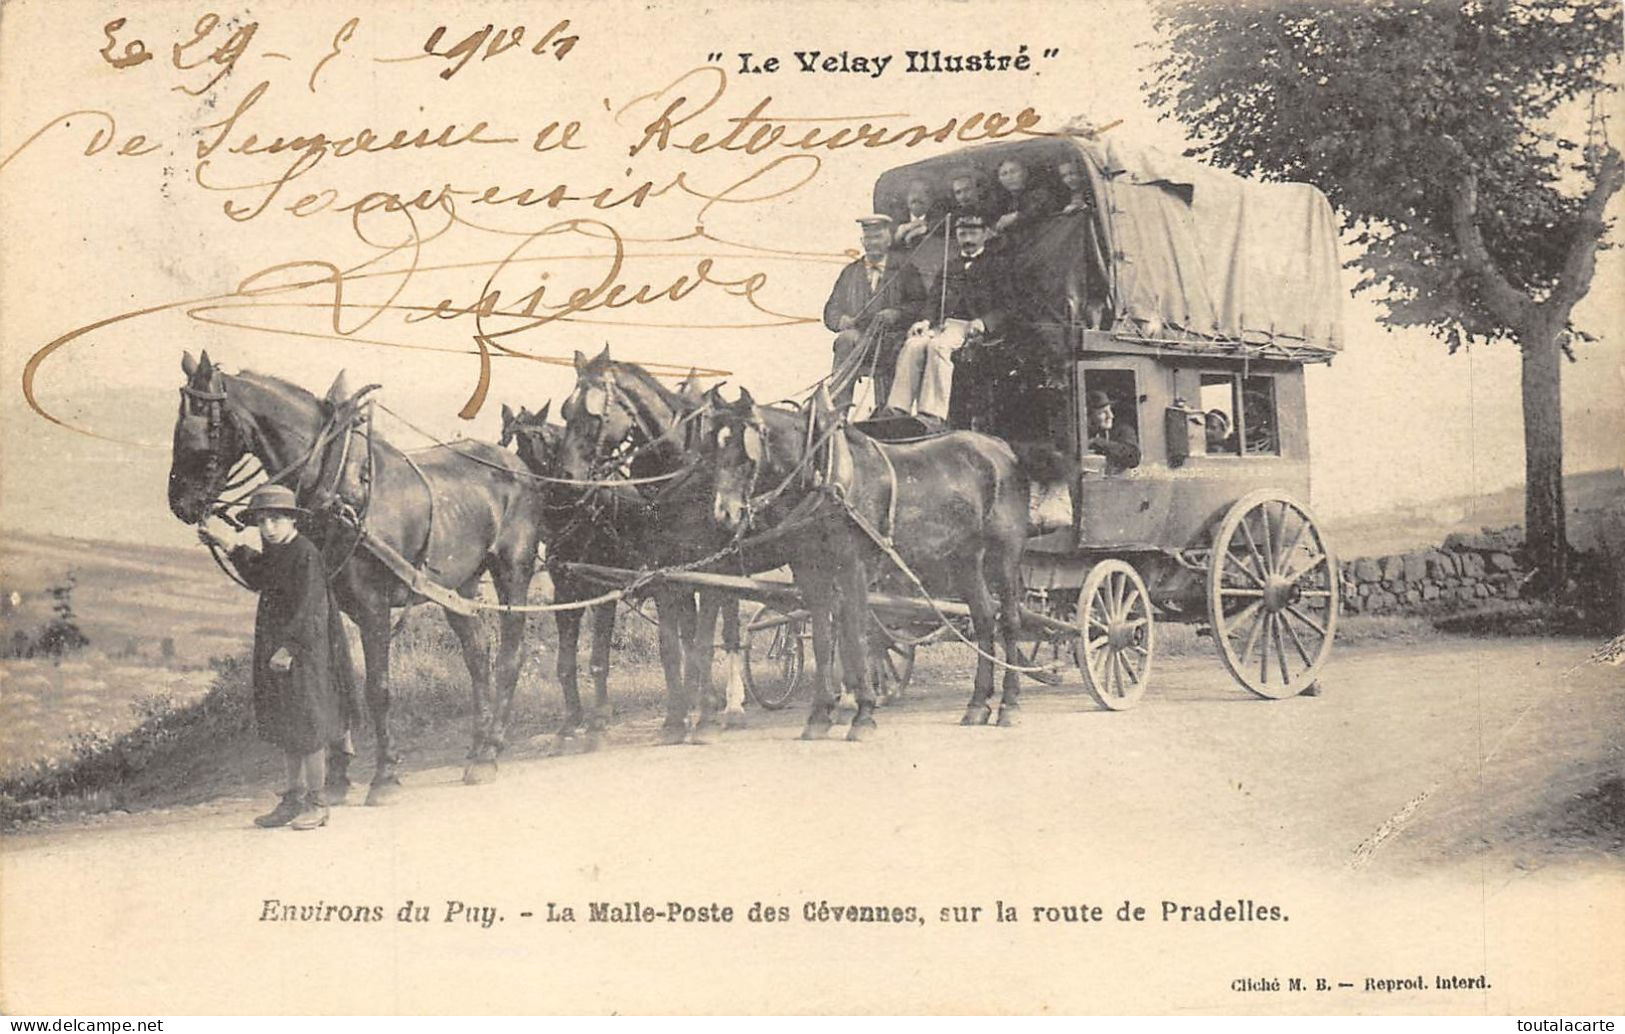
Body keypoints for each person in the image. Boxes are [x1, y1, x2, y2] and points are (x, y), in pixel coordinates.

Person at [198, 485, 357, 830]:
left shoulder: (305, 554)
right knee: (287, 726)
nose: (268, 527)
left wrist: (289, 649)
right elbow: (257, 575)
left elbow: (312, 610)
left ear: (292, 520)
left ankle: (317, 802)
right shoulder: (276, 552)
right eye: (262, 521)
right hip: (278, 652)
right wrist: (225, 544)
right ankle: (293, 798)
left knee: (309, 726)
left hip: (305, 654)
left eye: (276, 519)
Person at [881, 215, 1019, 432]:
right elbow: (933, 299)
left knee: (939, 346)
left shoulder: (997, 265)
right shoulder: (950, 266)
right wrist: (925, 321)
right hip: (943, 325)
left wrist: (984, 322)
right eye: (963, 233)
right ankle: (898, 409)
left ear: (984, 234)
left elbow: (1009, 306)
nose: (968, 238)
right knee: (913, 344)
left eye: (973, 233)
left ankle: (932, 414)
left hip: (970, 327)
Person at [823, 214, 927, 410]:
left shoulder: (904, 269)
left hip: (893, 341)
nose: (873, 243)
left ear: (888, 240)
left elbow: (920, 304)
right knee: (846, 339)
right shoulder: (850, 272)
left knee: (904, 353)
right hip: (860, 341)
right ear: (862, 241)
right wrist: (841, 320)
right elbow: (831, 310)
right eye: (869, 238)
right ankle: (838, 410)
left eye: (878, 237)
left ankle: (890, 414)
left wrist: (897, 313)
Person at [991, 158, 1057, 239]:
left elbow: (1041, 209)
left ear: (1025, 173)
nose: (1009, 177)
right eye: (1004, 174)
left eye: (1013, 171)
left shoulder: (1039, 192)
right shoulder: (1003, 201)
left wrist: (1017, 216)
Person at [1085, 390, 1141, 472]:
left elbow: (1133, 457)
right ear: (1089, 417)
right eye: (1103, 412)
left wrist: (1098, 442)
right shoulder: (1083, 434)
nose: (1111, 416)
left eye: (1110, 410)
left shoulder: (1123, 430)